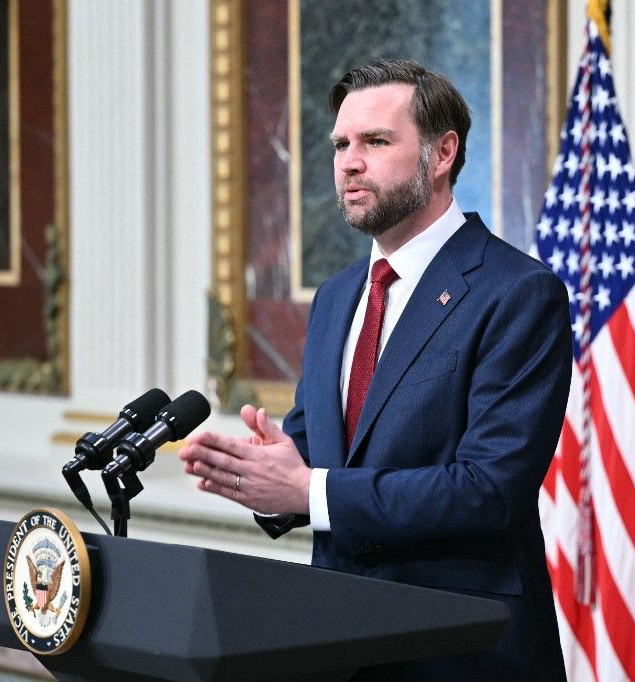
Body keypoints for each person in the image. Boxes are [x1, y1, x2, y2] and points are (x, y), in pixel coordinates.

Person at [181, 58, 571, 680]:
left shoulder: (517, 292)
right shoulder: (337, 297)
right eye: (340, 144)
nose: (348, 162)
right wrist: (267, 477)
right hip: (338, 645)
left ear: (442, 153)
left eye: (375, 141)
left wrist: (309, 490)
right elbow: (315, 460)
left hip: (461, 652)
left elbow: (487, 492)